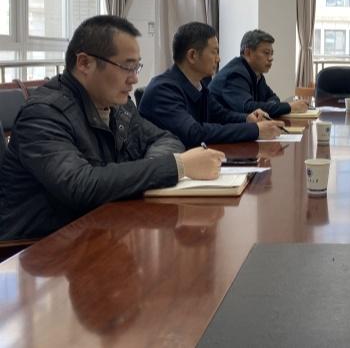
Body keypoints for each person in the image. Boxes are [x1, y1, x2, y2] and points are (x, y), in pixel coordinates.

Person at [0, 16, 225, 240]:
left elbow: (165, 139)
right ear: (84, 63)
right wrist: (177, 166)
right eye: (127, 67)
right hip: (40, 248)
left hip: (101, 230)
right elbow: (80, 185)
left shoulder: (118, 105)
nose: (134, 79)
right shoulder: (43, 113)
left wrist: (146, 172)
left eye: (136, 66)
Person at [139, 22, 283, 148]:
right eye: (214, 52)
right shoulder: (163, 90)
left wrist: (247, 119)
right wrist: (255, 130)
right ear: (192, 56)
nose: (218, 59)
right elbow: (194, 133)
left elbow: (221, 115)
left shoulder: (199, 84)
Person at [209, 29, 308, 117]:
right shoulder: (236, 74)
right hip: (217, 128)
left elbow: (273, 98)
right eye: (266, 53)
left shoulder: (257, 75)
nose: (271, 58)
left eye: (271, 54)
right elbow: (248, 108)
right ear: (248, 53)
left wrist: (268, 106)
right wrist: (289, 107)